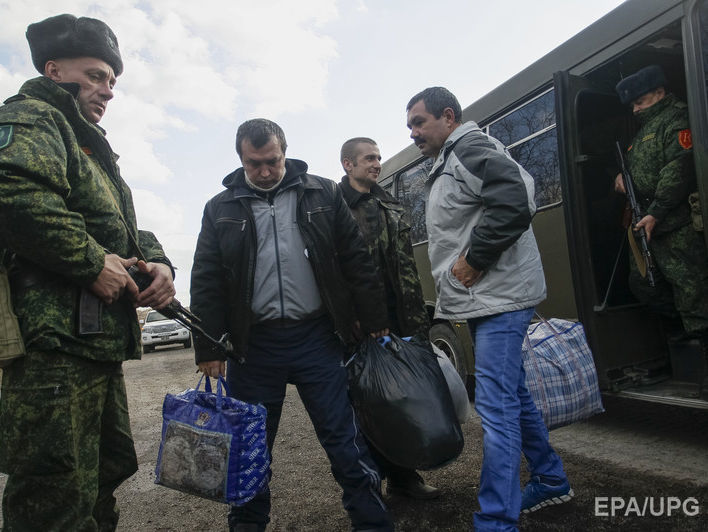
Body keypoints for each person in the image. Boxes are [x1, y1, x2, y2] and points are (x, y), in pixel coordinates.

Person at [0, 14, 176, 531]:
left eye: (112, 81)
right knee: (54, 494)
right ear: (54, 70)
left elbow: (124, 230)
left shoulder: (89, 145)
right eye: (96, 76)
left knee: (102, 477)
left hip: (92, 342)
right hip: (53, 346)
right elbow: (13, 193)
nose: (108, 90)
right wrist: (90, 261)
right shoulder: (34, 117)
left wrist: (158, 262)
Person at [191, 119, 394, 532]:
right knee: (249, 449)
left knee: (345, 442)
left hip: (317, 339)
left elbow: (355, 258)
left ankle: (373, 524)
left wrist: (375, 319)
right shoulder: (219, 208)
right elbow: (206, 279)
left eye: (273, 161)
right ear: (240, 159)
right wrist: (208, 347)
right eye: (254, 164)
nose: (265, 171)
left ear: (285, 151)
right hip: (254, 347)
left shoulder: (323, 193)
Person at [405, 87, 572, 531]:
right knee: (512, 395)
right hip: (489, 299)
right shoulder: (451, 158)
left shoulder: (470, 147)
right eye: (410, 126)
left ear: (448, 116)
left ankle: (496, 520)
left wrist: (476, 257)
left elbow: (517, 198)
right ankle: (551, 479)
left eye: (419, 123)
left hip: (499, 298)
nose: (413, 133)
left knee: (496, 408)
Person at [338, 137, 438, 500]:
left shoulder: (390, 204)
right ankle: (370, 486)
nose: (376, 164)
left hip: (400, 317)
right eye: (369, 158)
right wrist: (351, 317)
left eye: (378, 157)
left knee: (401, 399)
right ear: (348, 164)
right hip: (359, 325)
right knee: (367, 404)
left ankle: (403, 477)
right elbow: (333, 271)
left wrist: (415, 318)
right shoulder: (334, 207)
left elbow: (405, 264)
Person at [614, 65, 708, 343]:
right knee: (643, 284)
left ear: (659, 92)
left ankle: (700, 343)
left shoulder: (676, 117)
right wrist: (620, 178)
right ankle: (682, 333)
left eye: (640, 102)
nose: (635, 110)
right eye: (632, 105)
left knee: (692, 289)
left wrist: (656, 212)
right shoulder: (643, 131)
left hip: (676, 224)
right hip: (646, 224)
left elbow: (678, 169)